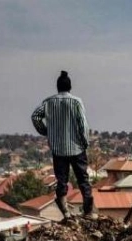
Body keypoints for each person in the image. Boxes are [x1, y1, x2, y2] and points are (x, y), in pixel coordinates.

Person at [31, 70, 94, 219]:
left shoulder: (48, 102)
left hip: (58, 149)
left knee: (62, 181)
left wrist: (45, 131)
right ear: (70, 87)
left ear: (57, 87)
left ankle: (65, 211)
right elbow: (83, 125)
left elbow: (35, 116)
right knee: (83, 180)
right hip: (76, 147)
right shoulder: (76, 102)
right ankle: (89, 211)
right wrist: (85, 142)